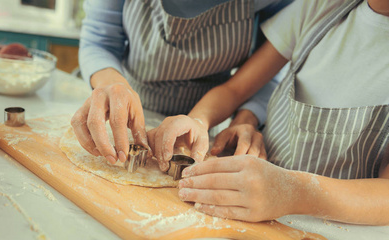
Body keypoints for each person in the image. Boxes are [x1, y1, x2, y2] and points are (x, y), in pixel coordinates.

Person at [150, 0, 389, 225]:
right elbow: (236, 89)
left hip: (331, 232)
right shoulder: (320, 7)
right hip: (246, 201)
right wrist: (198, 120)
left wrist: (293, 192)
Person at [71, 0, 292, 165]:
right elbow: (99, 41)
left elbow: (268, 67)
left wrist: (245, 119)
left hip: (207, 127)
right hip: (128, 118)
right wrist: (112, 83)